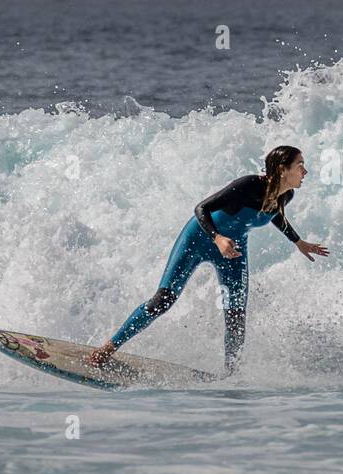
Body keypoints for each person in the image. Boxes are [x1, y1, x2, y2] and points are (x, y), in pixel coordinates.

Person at [86, 145, 329, 375]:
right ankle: (107, 349)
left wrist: (298, 242)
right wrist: (217, 238)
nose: (304, 171)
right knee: (164, 299)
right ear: (282, 169)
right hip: (199, 238)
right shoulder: (248, 185)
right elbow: (202, 208)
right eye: (300, 165)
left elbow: (274, 215)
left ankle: (230, 374)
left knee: (235, 314)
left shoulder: (286, 196)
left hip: (233, 250)